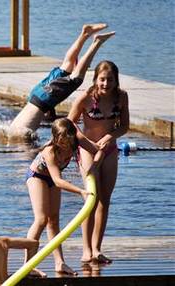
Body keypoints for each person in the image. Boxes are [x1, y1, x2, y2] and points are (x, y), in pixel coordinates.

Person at [7, 23, 115, 143]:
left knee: (76, 79)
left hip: (44, 101)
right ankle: (85, 33)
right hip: (35, 94)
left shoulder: (17, 139)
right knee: (66, 66)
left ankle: (97, 43)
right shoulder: (11, 129)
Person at [67, 60, 129, 265]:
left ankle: (97, 249)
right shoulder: (86, 97)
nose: (105, 83)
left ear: (116, 80)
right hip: (87, 149)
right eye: (102, 79)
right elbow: (69, 123)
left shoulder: (121, 97)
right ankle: (86, 250)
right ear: (95, 79)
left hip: (109, 149)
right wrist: (84, 142)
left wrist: (111, 137)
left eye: (110, 79)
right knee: (91, 200)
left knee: (105, 200)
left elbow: (124, 126)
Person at [24, 117, 104, 276]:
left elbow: (99, 150)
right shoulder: (50, 151)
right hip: (37, 176)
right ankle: (28, 266)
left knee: (53, 220)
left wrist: (93, 168)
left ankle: (59, 263)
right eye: (61, 141)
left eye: (67, 140)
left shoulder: (77, 139)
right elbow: (58, 181)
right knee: (41, 219)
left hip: (53, 178)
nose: (65, 144)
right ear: (55, 138)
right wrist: (81, 191)